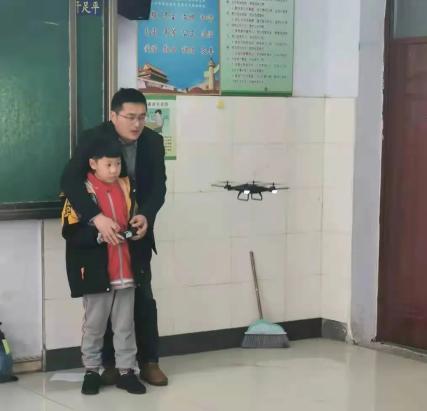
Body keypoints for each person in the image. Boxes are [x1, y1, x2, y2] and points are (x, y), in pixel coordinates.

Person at [61, 88, 168, 386]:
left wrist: (146, 215)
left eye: (142, 117)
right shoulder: (94, 138)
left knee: (142, 299)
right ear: (113, 115)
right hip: (100, 235)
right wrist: (95, 218)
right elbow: (69, 180)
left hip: (135, 232)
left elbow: (158, 187)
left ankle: (148, 362)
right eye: (130, 117)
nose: (137, 124)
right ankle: (108, 366)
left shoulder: (153, 141)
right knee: (103, 303)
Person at [61, 136, 146, 395]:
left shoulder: (126, 186)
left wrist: (137, 228)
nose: (114, 170)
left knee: (125, 325)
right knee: (94, 326)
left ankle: (126, 371)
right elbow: (70, 232)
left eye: (118, 164)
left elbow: (133, 216)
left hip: (126, 269)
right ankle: (91, 371)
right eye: (108, 164)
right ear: (93, 164)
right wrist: (98, 236)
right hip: (97, 272)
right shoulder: (81, 191)